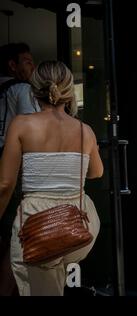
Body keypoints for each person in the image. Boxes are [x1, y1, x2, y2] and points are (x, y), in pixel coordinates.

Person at [0, 61, 103, 296]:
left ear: (33, 90)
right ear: (68, 91)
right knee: (52, 280)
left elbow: (5, 184)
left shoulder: (21, 125)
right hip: (79, 223)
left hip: (37, 222)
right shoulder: (84, 130)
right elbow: (96, 172)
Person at [0, 43, 39, 296]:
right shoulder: (22, 89)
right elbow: (31, 131)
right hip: (11, 162)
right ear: (12, 66)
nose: (31, 65)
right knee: (16, 236)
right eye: (26, 61)